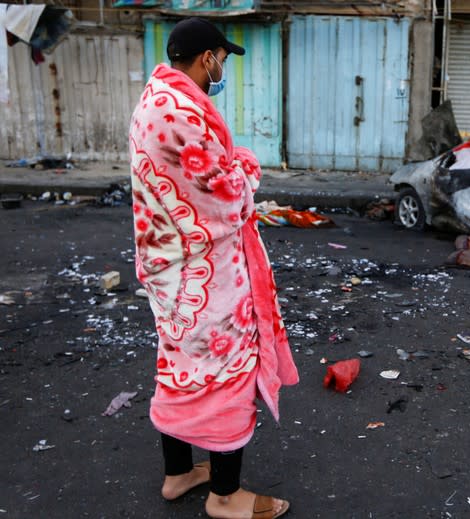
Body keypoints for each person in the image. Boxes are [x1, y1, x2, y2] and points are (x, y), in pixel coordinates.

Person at [128, 17, 299, 519]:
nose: (222, 70)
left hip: (169, 269)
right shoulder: (184, 111)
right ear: (207, 58)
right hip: (206, 273)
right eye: (222, 60)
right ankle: (226, 496)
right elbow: (230, 199)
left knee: (182, 367)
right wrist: (247, 162)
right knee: (227, 369)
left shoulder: (153, 100)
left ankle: (179, 473)